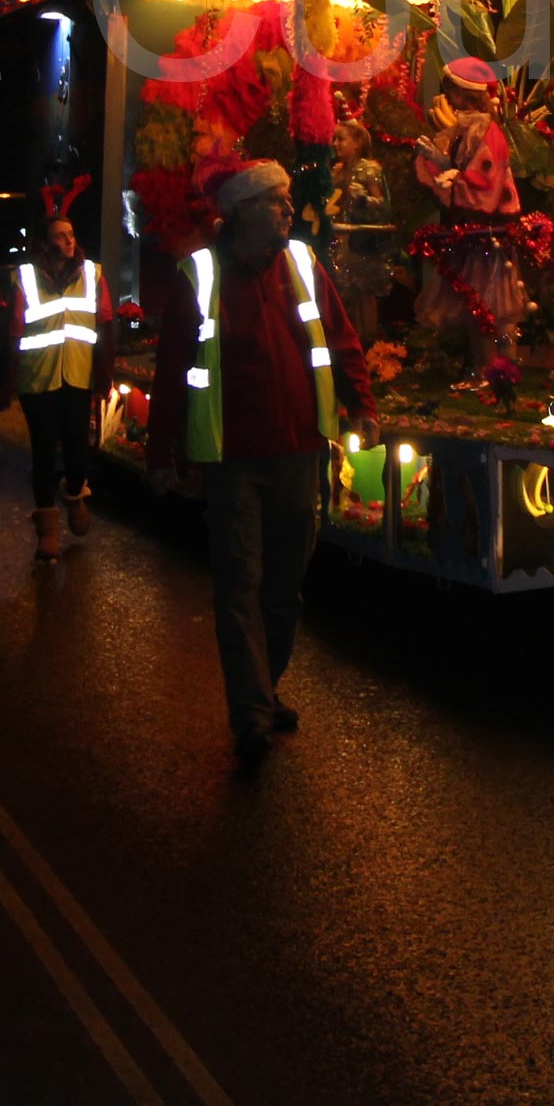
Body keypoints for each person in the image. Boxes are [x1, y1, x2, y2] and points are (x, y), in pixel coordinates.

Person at [151, 161, 374, 761]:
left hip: (299, 450)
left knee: (283, 586)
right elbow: (172, 370)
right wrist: (161, 449)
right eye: (276, 201)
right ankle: (250, 713)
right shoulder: (200, 274)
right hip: (233, 460)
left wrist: (363, 404)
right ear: (244, 211)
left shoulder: (302, 264)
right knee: (239, 583)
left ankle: (263, 688)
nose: (287, 211)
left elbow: (341, 338)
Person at [409, 55, 532, 382]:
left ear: (466, 94)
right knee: (477, 306)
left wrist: (451, 177)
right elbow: (461, 168)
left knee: (487, 306)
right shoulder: (469, 129)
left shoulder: (485, 131)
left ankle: (494, 370)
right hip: (473, 231)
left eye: (452, 91)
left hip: (486, 232)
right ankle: (487, 369)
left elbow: (483, 181)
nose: (447, 98)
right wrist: (438, 161)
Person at [0, 217, 101, 561]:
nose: (68, 241)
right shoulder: (25, 278)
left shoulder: (92, 274)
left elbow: (107, 324)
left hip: (77, 376)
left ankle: (75, 494)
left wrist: (104, 374)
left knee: (77, 449)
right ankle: (47, 529)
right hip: (37, 379)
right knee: (43, 452)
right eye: (59, 236)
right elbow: (13, 332)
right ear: (43, 243)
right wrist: (5, 383)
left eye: (71, 234)